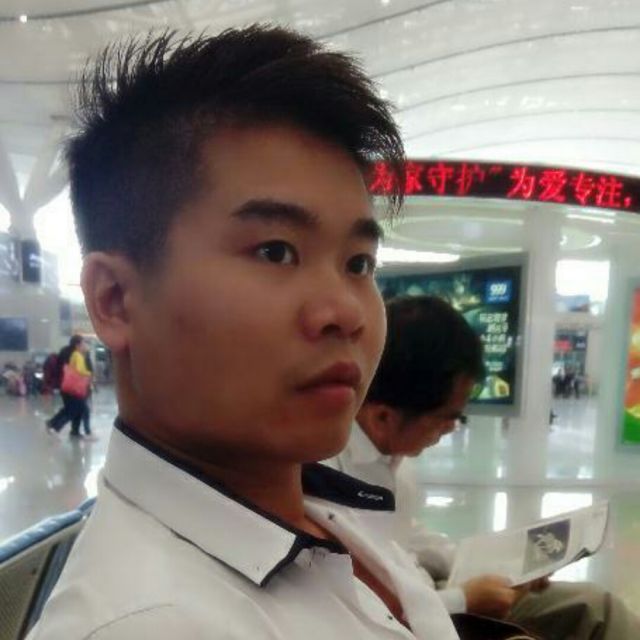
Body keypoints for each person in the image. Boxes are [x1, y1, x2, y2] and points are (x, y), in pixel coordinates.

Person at [28, 27, 463, 640]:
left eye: (358, 263)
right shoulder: (153, 624)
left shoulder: (319, 509)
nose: (347, 311)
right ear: (116, 300)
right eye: (276, 251)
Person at [327, 295, 640, 640]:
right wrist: (464, 599)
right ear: (383, 417)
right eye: (447, 417)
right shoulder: (325, 479)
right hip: (413, 616)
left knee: (596, 607)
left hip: (430, 591)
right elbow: (360, 609)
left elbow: (405, 535)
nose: (452, 429)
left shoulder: (392, 463)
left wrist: (507, 568)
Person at [46, 335, 93, 438]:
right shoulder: (77, 355)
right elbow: (80, 370)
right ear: (77, 345)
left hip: (67, 386)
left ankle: (68, 429)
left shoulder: (70, 353)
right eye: (83, 343)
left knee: (73, 409)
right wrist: (89, 374)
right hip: (75, 388)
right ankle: (56, 427)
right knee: (75, 411)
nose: (85, 345)